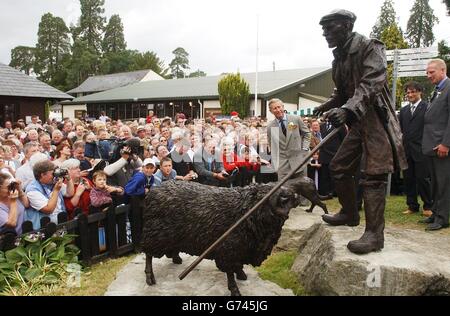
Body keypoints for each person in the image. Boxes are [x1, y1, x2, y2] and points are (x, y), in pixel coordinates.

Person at [313, 9, 407, 254]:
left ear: (346, 26)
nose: (324, 34)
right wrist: (330, 104)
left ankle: (375, 235)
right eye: (323, 29)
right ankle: (349, 212)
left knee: (374, 175)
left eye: (329, 28)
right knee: (339, 167)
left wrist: (347, 109)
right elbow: (344, 90)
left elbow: (371, 82)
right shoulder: (340, 57)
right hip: (358, 120)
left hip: (376, 119)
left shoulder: (369, 47)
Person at [420, 59, 450, 231]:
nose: (428, 75)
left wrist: (446, 144)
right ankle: (435, 213)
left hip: (442, 146)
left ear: (442, 70)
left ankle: (442, 218)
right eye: (427, 72)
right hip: (431, 145)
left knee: (443, 182)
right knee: (435, 183)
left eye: (431, 72)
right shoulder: (437, 90)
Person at [399, 81, 433, 217]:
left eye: (413, 92)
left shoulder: (428, 108)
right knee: (409, 179)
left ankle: (428, 206)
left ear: (420, 92)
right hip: (407, 151)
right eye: (408, 92)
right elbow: (401, 130)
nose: (410, 94)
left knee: (423, 179)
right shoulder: (404, 111)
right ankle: (412, 205)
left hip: (422, 150)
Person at [267, 98, 311, 180]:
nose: (278, 110)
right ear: (271, 111)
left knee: (302, 189)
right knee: (284, 191)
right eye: (275, 108)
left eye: (279, 107)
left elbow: (307, 134)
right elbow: (273, 148)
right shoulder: (270, 127)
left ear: (283, 107)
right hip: (283, 166)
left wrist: (304, 149)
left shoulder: (295, 119)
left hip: (299, 162)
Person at [26, 160, 75, 229]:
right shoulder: (32, 190)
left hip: (61, 221)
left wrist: (69, 179)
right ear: (42, 175)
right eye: (53, 173)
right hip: (45, 227)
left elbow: (69, 193)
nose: (55, 175)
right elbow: (49, 209)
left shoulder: (53, 182)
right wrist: (56, 190)